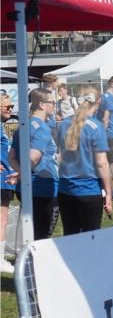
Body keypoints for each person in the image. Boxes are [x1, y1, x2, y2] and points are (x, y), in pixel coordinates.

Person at [54, 89, 113, 235]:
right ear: (98, 102)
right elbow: (102, 163)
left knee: (70, 236)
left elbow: (59, 155)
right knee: (91, 238)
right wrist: (109, 193)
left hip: (65, 190)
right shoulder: (96, 126)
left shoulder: (63, 125)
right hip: (88, 190)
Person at [10, 88, 60, 239]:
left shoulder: (23, 127)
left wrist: (21, 174)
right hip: (43, 187)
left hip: (26, 187)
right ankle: (37, 262)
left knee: (31, 231)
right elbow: (33, 158)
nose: (54, 105)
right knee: (43, 235)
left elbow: (11, 156)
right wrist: (24, 174)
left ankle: (29, 260)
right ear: (42, 105)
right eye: (52, 102)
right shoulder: (42, 128)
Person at [1, 94, 16, 273]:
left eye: (12, 106)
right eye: (7, 106)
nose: (11, 109)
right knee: (2, 219)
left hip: (6, 177)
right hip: (2, 179)